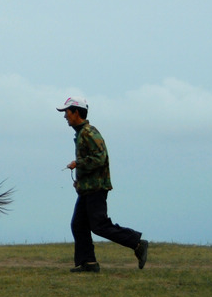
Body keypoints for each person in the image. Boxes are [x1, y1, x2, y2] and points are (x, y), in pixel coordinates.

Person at [58, 97, 149, 272]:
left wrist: (78, 164)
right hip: (87, 189)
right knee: (78, 224)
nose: (65, 116)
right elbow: (93, 160)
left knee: (99, 225)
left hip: (96, 189)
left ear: (76, 112)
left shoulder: (90, 133)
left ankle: (137, 243)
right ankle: (88, 263)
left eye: (66, 112)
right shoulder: (82, 133)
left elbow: (100, 158)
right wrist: (80, 180)